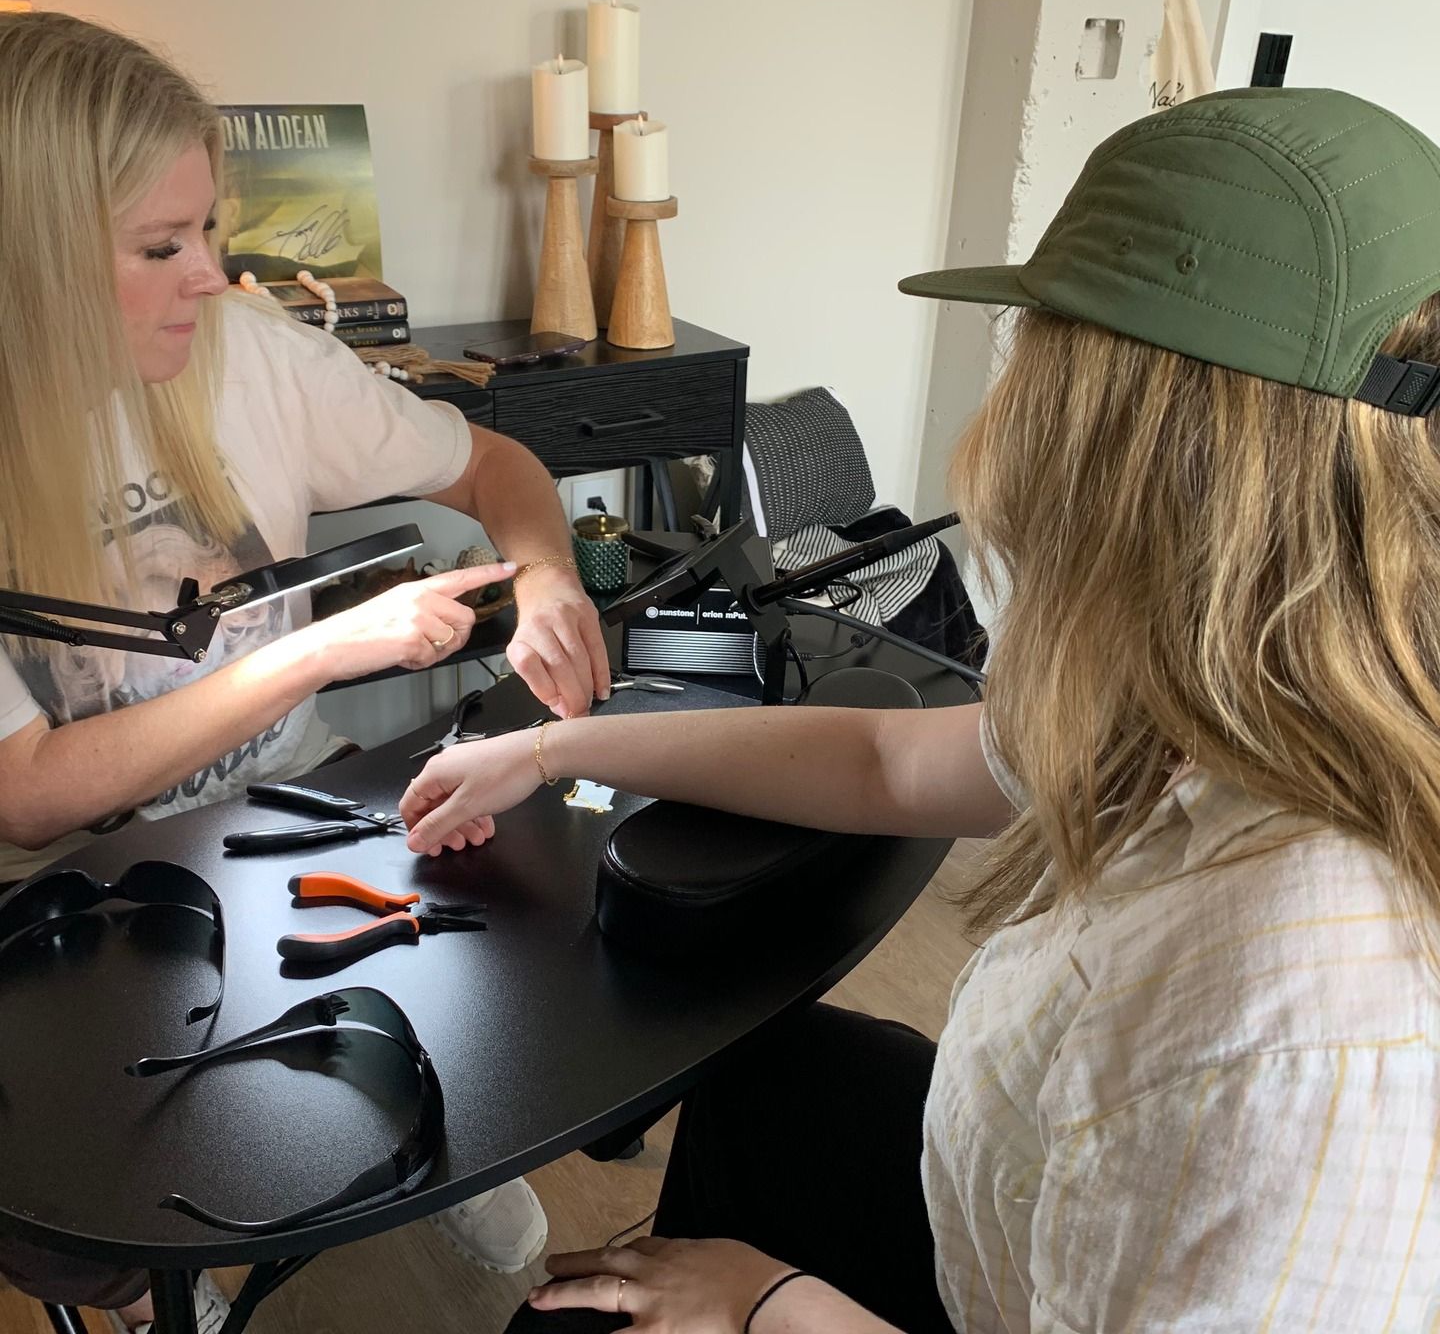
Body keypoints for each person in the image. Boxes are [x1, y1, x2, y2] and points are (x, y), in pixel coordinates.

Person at [401, 86, 1440, 1331]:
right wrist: (557, 745)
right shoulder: (1210, 703)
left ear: (1126, 460)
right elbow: (887, 765)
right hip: (1004, 1215)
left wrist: (764, 1305)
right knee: (764, 1075)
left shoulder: (1301, 1022)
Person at [0, 12, 608, 1325]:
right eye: (162, 247)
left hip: (286, 799)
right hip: (65, 890)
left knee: (515, 911)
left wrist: (546, 573)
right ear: (30, 262)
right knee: (89, 1196)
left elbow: (494, 467)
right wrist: (323, 651)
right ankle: (163, 1274)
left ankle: (448, 1135)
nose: (211, 278)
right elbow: (29, 794)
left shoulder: (248, 353)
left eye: (210, 231)